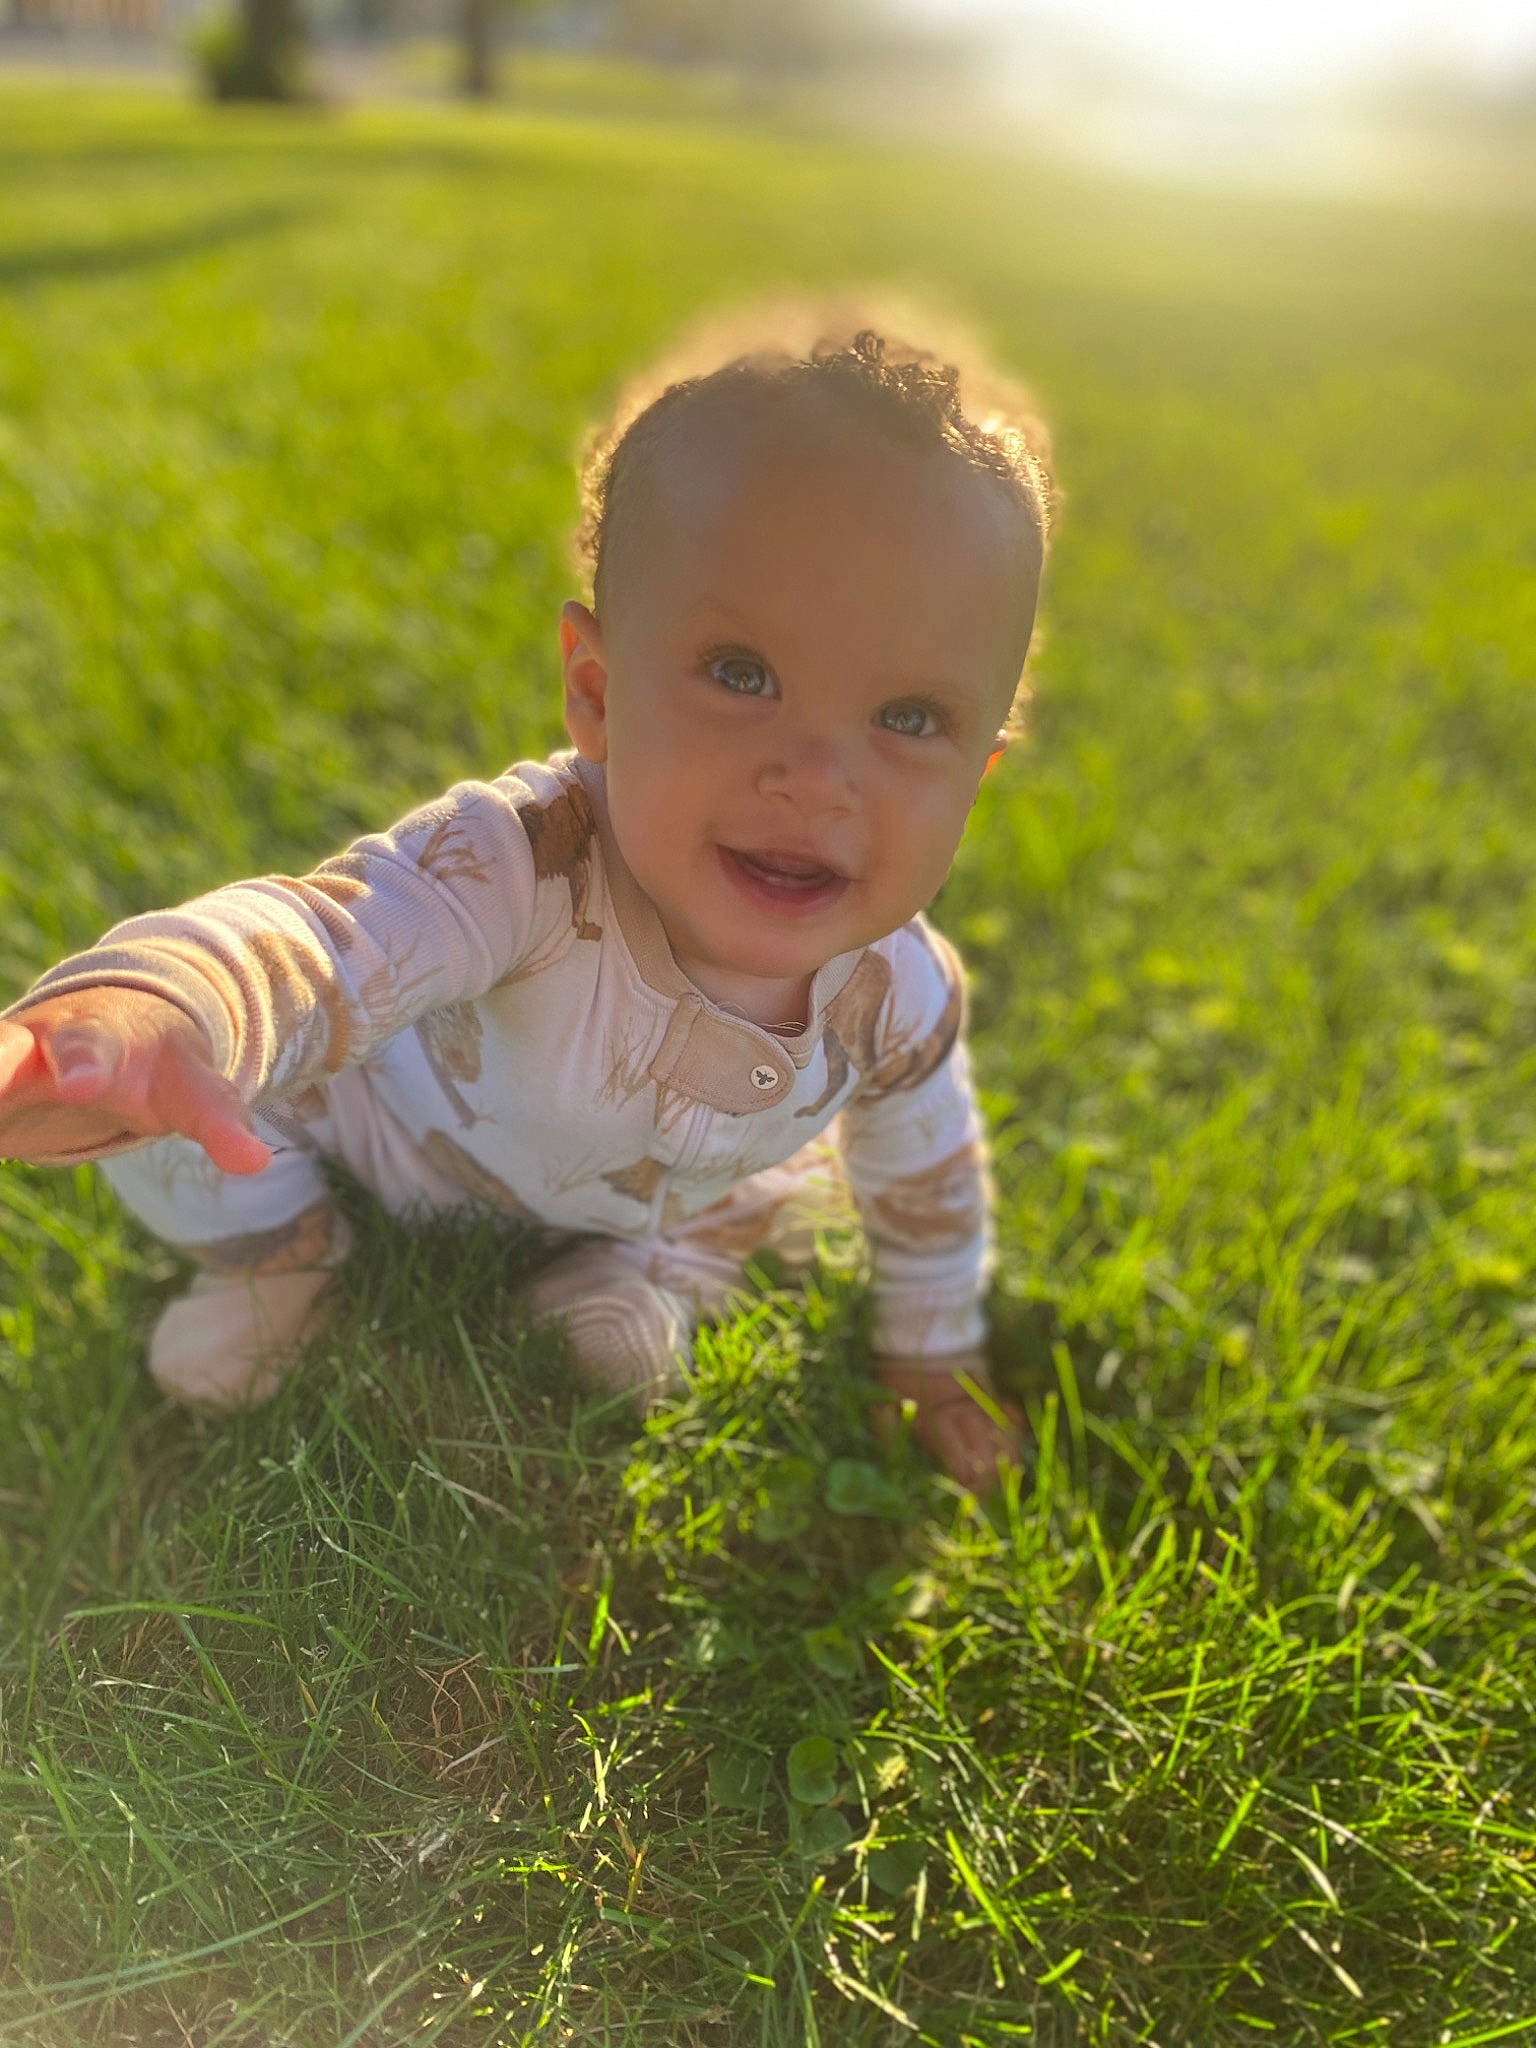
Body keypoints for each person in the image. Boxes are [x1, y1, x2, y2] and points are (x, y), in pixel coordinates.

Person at [0, 303, 1054, 1495]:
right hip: (382, 1133)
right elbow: (325, 938)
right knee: (191, 1119)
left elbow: (924, 1172)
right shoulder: (523, 863)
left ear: (980, 771)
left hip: (637, 1194)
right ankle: (278, 1261)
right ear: (597, 692)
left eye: (908, 718)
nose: (816, 778)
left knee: (757, 1210)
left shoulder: (894, 998)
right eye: (742, 674)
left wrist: (935, 1352)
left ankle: (622, 1277)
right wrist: (164, 1009)